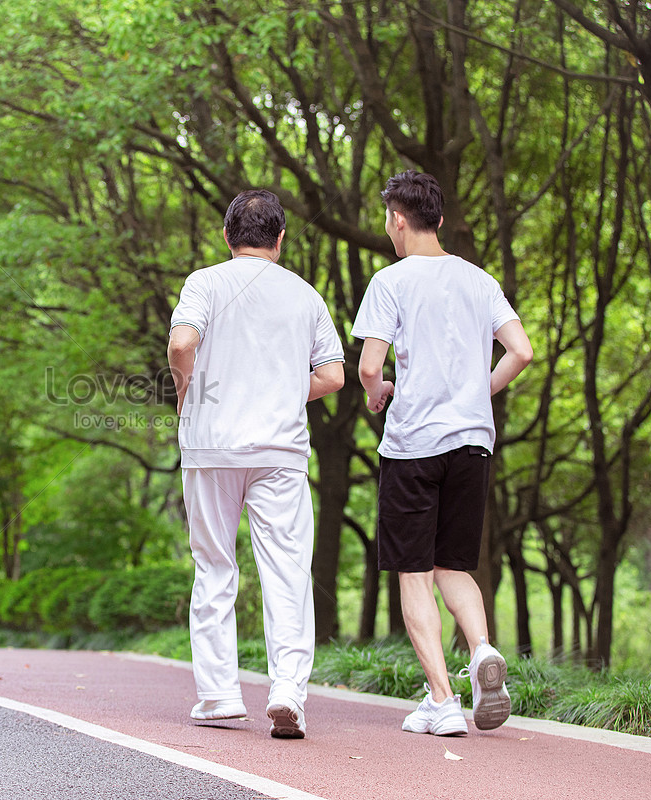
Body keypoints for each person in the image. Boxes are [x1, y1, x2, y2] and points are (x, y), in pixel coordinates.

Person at [351, 170, 533, 735]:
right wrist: (479, 390)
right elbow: (521, 352)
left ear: (398, 220)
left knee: (413, 572)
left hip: (413, 446)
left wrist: (377, 392)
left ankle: (442, 701)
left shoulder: (391, 281)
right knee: (454, 564)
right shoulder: (480, 280)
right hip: (473, 442)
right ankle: (480, 651)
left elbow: (368, 367)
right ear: (441, 221)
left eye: (388, 220)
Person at [167, 189, 346, 739]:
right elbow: (335, 376)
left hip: (210, 447)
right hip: (280, 452)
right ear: (280, 238)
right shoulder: (305, 295)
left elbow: (180, 345)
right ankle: (288, 688)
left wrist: (186, 390)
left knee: (215, 567)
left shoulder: (205, 282)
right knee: (287, 570)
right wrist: (284, 391)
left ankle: (220, 696)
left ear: (227, 237)